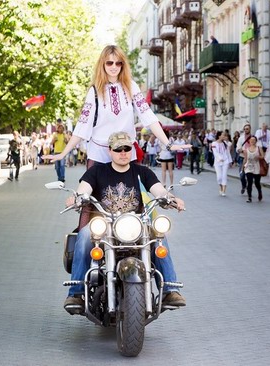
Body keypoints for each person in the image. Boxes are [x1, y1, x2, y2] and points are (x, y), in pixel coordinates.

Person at [63, 132, 186, 313]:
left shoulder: (142, 171)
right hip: (104, 224)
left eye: (127, 148)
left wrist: (172, 199)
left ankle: (170, 289)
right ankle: (76, 293)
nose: (123, 152)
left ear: (132, 150)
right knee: (83, 236)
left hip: (136, 225)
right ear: (110, 151)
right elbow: (84, 189)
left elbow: (159, 191)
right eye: (118, 149)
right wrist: (76, 198)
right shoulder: (97, 171)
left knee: (160, 236)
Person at [43, 45, 189, 168]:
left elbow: (149, 117)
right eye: (109, 63)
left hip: (126, 155)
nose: (114, 67)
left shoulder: (131, 86)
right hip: (99, 156)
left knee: (132, 201)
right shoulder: (94, 91)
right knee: (93, 200)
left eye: (118, 63)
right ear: (102, 64)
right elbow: (82, 126)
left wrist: (168, 144)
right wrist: (63, 153)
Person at [211, 131, 233, 196]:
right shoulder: (214, 143)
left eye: (225, 135)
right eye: (223, 135)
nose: (224, 136)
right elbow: (215, 153)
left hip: (225, 161)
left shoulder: (226, 143)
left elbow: (228, 153)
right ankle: (220, 187)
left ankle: (223, 191)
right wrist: (220, 158)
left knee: (224, 176)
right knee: (219, 177)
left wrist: (230, 161)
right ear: (219, 136)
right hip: (217, 162)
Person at [243, 136, 264, 203]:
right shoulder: (246, 149)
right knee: (249, 182)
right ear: (249, 141)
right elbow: (245, 159)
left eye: (254, 140)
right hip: (248, 167)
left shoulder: (259, 148)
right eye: (251, 140)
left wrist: (259, 157)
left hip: (257, 167)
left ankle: (259, 192)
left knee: (257, 183)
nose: (252, 141)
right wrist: (243, 167)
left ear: (256, 141)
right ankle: (249, 197)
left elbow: (263, 156)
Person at [236, 123, 254, 194]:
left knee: (250, 175)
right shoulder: (241, 138)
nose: (246, 130)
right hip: (242, 158)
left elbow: (257, 147)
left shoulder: (253, 138)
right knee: (242, 175)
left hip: (251, 159)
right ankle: (244, 185)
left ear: (250, 129)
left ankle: (249, 189)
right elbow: (238, 148)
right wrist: (242, 150)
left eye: (247, 129)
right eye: (245, 129)